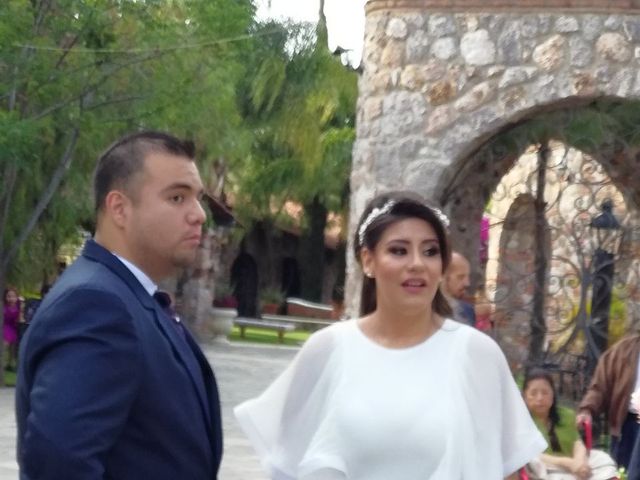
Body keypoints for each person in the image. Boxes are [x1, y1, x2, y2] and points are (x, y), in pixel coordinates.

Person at [234, 190, 546, 479]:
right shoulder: (327, 349)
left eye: (430, 251)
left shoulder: (477, 354)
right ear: (368, 260)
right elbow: (287, 465)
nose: (416, 264)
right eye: (398, 250)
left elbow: (507, 467)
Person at [16, 131, 222, 479]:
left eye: (197, 198)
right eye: (177, 198)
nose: (199, 215)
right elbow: (60, 468)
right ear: (119, 208)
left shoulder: (133, 298)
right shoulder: (94, 306)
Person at [523, 369, 617, 480]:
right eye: (533, 393)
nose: (540, 398)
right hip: (546, 469)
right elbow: (531, 455)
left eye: (545, 392)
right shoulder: (522, 422)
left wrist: (580, 462)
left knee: (603, 458)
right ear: (525, 396)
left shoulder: (566, 415)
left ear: (553, 394)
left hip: (574, 464)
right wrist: (568, 463)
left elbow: (577, 442)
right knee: (534, 462)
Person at [576, 334, 640, 470]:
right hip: (628, 425)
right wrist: (587, 409)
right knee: (622, 472)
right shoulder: (623, 351)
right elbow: (599, 387)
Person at [442, 250, 477, 326]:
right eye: (460, 277)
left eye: (467, 277)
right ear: (443, 277)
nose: (467, 283)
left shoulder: (467, 311)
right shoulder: (424, 313)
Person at [3, 286, 21, 371]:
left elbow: (20, 319)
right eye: (9, 296)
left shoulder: (19, 307)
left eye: (13, 296)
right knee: (5, 344)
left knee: (13, 348)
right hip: (6, 327)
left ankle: (11, 364)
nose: (11, 299)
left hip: (15, 328)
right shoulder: (4, 307)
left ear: (16, 297)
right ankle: (4, 363)